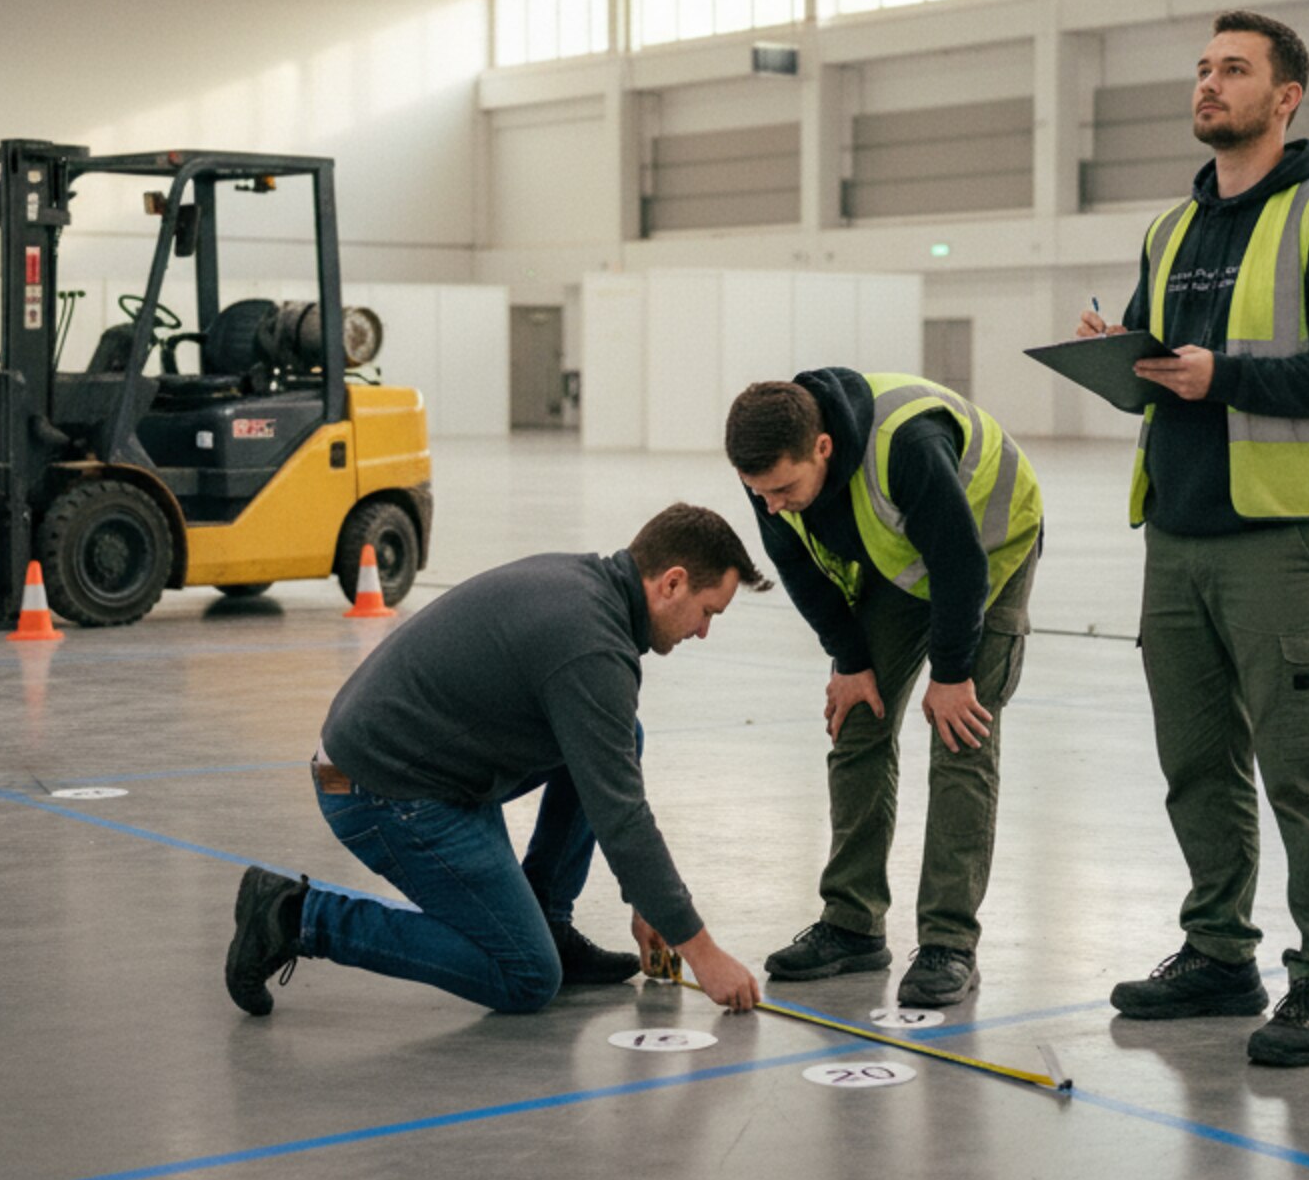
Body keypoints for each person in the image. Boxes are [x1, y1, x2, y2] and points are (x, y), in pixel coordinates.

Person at [1081, 9, 1309, 1068]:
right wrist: (1117, 360)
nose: (1207, 84)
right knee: (1194, 764)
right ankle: (1219, 952)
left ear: (1285, 95)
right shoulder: (1171, 228)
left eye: (1233, 69)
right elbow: (1154, 374)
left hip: (1278, 541)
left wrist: (1227, 377)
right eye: (1203, 68)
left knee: (1301, 770)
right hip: (1174, 534)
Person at [223, 504, 768, 1019]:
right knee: (527, 975)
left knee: (623, 734)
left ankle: (548, 919)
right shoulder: (592, 648)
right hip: (369, 787)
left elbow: (610, 773)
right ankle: (296, 916)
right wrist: (700, 949)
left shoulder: (585, 585)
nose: (702, 631)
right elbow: (622, 817)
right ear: (671, 583)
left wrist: (648, 901)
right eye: (706, 612)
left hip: (382, 763)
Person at [724, 370, 1042, 1008]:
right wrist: (849, 659)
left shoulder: (906, 446)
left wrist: (951, 675)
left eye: (783, 489)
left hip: (988, 550)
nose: (771, 506)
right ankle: (852, 925)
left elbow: (961, 565)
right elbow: (798, 570)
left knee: (961, 737)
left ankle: (950, 942)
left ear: (822, 448)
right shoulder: (770, 481)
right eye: (758, 493)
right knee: (858, 719)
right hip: (903, 565)